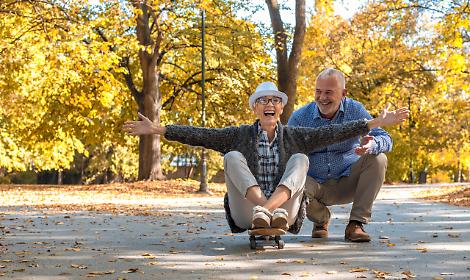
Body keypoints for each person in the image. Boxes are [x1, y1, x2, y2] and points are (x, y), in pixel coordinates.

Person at [124, 81, 408, 234]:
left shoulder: (296, 134)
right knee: (233, 156)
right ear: (255, 109)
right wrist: (159, 129)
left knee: (300, 159)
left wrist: (373, 123)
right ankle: (264, 208)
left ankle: (271, 210)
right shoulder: (238, 135)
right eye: (263, 101)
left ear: (281, 109)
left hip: (286, 213)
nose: (269, 104)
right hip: (248, 210)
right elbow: (201, 134)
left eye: (274, 101)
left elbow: (336, 132)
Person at [288, 68, 400, 242]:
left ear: (343, 93)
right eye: (318, 91)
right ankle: (321, 219)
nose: (322, 97)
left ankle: (356, 224)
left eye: (329, 92)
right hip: (315, 185)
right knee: (291, 183)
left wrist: (372, 144)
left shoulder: (354, 110)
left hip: (348, 180)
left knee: (379, 158)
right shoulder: (300, 117)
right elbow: (287, 154)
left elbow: (386, 138)